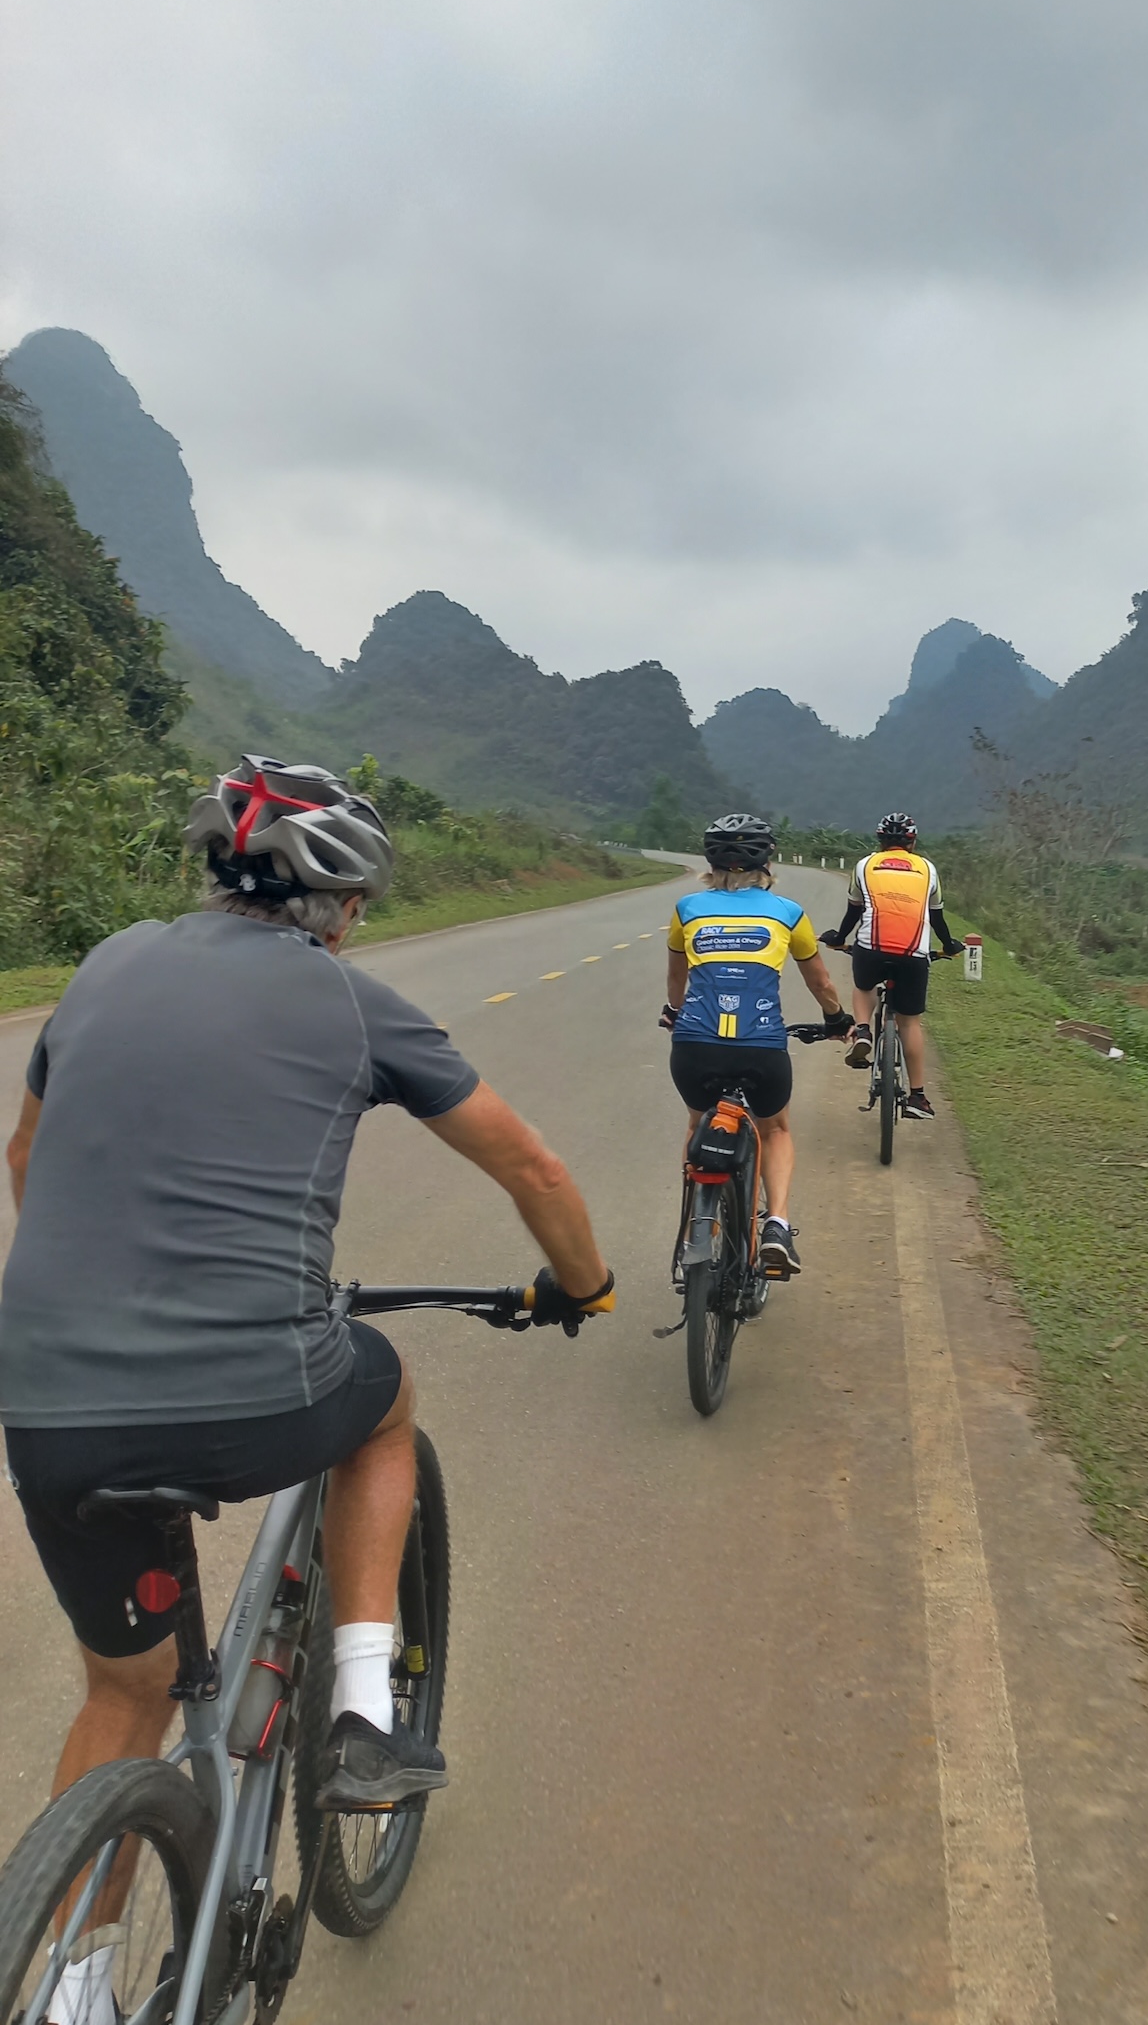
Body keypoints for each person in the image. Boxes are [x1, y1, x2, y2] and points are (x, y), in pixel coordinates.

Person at [1, 756, 615, 1927]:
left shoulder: (105, 963)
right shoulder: (350, 1001)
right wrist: (584, 1285)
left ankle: (67, 2010)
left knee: (124, 1692)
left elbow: (26, 1155)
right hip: (252, 1390)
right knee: (383, 1404)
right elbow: (533, 1166)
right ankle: (366, 1717)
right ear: (345, 906)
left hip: (45, 1398)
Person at [660, 814, 851, 1279]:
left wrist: (674, 1011)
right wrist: (836, 1019)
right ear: (767, 862)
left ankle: (696, 1228)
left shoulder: (687, 909)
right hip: (761, 1046)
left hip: (695, 1045)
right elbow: (821, 983)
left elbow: (676, 977)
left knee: (697, 1122)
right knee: (776, 1129)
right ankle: (778, 1227)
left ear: (710, 862)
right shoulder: (788, 913)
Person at [824, 813, 959, 1119]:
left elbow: (853, 912)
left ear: (880, 841)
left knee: (864, 986)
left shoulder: (865, 865)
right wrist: (949, 945)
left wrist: (838, 938)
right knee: (909, 1023)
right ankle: (918, 1097)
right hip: (913, 954)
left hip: (871, 949)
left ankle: (862, 1031)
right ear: (912, 842)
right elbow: (937, 918)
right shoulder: (928, 869)